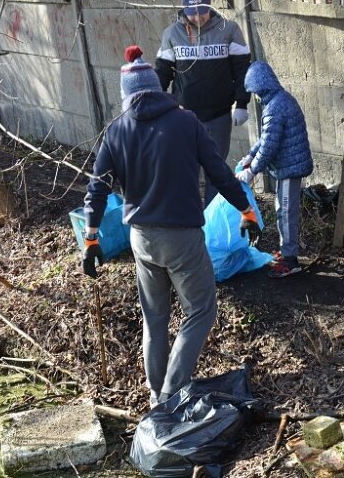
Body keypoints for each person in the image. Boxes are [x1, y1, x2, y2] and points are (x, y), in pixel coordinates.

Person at [82, 45, 261, 407]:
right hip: (181, 238)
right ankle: (171, 392)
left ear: (127, 95)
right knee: (200, 310)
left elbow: (97, 189)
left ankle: (153, 393)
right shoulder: (186, 122)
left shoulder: (116, 131)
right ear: (158, 88)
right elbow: (219, 172)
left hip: (142, 240)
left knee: (155, 318)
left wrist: (90, 237)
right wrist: (247, 210)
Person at [155, 0, 252, 207]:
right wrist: (155, 106)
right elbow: (162, 73)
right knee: (185, 169)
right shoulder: (172, 34)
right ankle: (188, 219)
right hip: (183, 116)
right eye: (192, 13)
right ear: (184, 11)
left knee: (215, 170)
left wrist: (242, 103)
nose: (198, 18)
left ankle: (211, 220)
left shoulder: (229, 30)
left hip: (219, 116)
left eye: (202, 12)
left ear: (210, 7)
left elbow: (243, 70)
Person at [236, 61, 313, 278]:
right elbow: (265, 138)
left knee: (286, 212)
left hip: (290, 167)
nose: (255, 97)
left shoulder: (275, 107)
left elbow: (269, 145)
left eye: (255, 92)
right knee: (282, 210)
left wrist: (252, 171)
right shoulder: (278, 101)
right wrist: (251, 155)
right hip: (288, 166)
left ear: (262, 87)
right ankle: (287, 252)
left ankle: (291, 261)